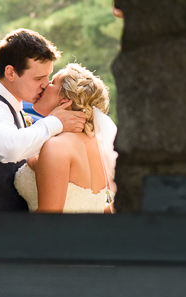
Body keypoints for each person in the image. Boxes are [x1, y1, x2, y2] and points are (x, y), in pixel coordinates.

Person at [0, 29, 86, 211]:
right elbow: (12, 147)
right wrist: (55, 122)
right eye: (39, 78)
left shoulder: (11, 108)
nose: (45, 84)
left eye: (48, 76)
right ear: (10, 73)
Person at [14, 62, 117, 213]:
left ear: (65, 100)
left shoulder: (57, 146)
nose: (44, 85)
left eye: (52, 82)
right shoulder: (102, 147)